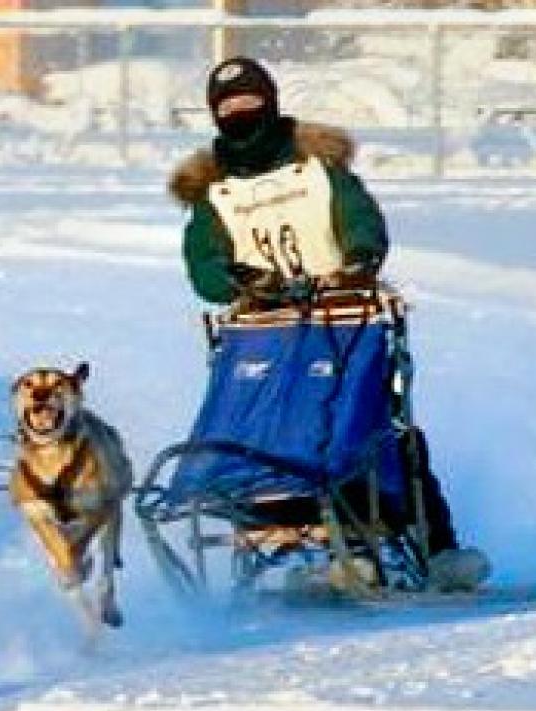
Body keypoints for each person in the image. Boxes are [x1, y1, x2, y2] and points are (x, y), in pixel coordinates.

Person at [169, 55, 489, 592]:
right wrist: (237, 279)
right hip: (262, 332)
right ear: (215, 115)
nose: (241, 113)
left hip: (344, 322)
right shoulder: (213, 193)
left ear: (270, 104)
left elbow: (362, 222)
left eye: (250, 102)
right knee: (262, 428)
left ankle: (434, 547)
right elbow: (204, 268)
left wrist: (360, 259)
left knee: (371, 429)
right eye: (229, 106)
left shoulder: (320, 171)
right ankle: (284, 524)